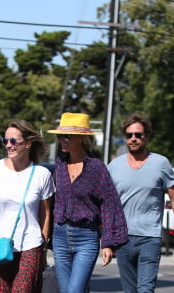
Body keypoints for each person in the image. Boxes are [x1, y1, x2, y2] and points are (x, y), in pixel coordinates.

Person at [0, 120, 56, 293]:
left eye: (13, 141)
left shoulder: (41, 174)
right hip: (0, 245)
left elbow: (45, 213)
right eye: (5, 141)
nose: (8, 145)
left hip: (30, 246)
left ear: (28, 144)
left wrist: (43, 248)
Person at [47, 112, 128, 293]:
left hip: (86, 238)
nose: (62, 140)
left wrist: (108, 243)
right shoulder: (59, 164)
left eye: (66, 136)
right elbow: (51, 200)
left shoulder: (96, 168)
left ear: (81, 138)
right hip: (60, 237)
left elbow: (109, 205)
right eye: (60, 136)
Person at [107, 113, 174, 293]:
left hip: (150, 238)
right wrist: (108, 239)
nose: (133, 139)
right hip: (123, 238)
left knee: (145, 290)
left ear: (147, 136)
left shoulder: (160, 163)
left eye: (138, 135)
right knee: (130, 291)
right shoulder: (114, 166)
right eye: (129, 135)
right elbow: (108, 204)